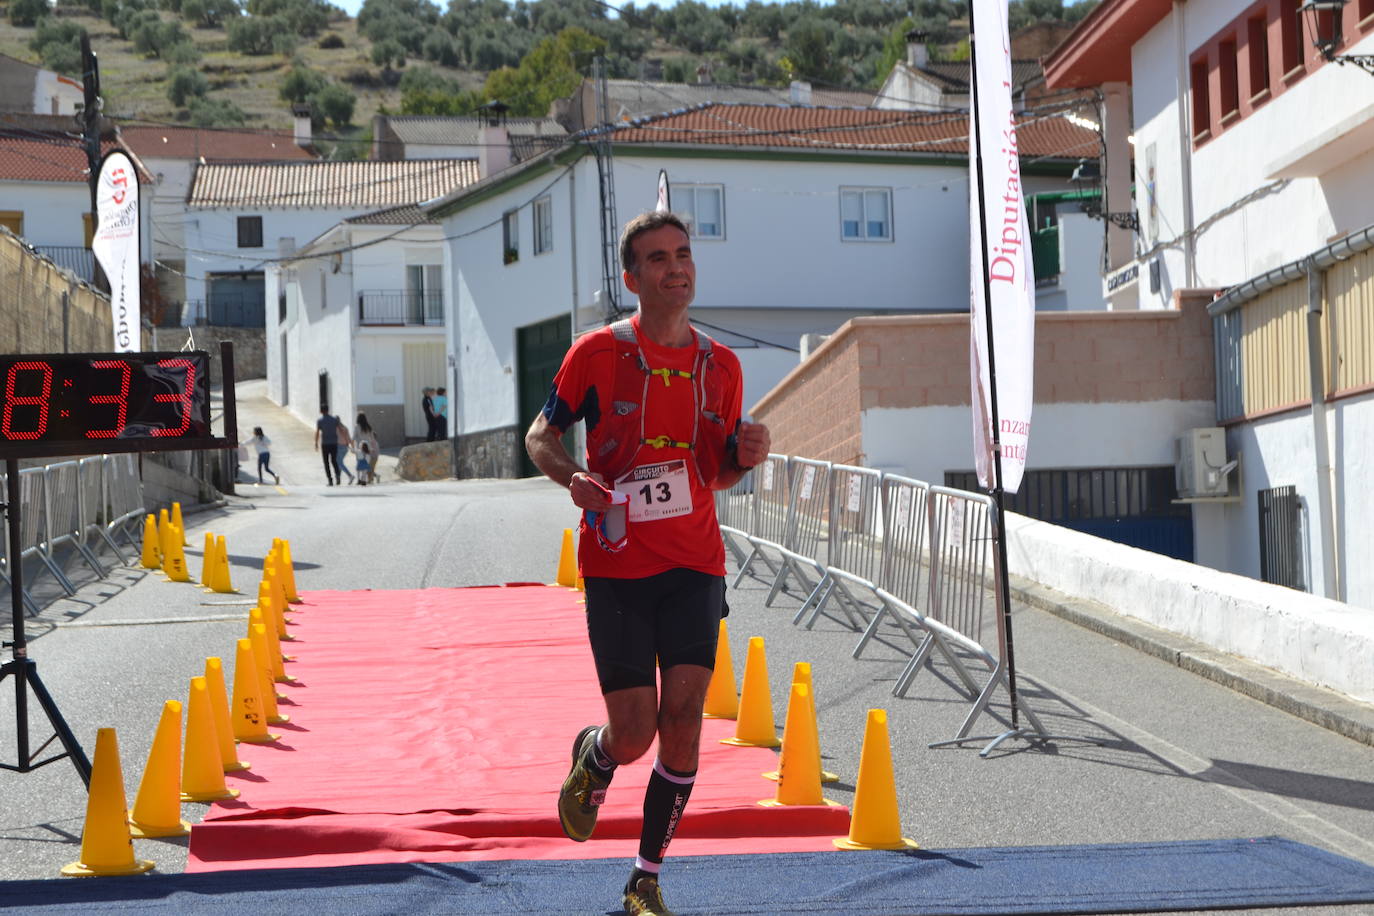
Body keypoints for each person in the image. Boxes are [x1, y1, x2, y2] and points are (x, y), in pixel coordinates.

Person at [524, 211, 770, 916]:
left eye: (684, 255)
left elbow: (715, 473)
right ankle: (598, 757)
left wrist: (743, 457)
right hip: (616, 564)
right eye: (658, 259)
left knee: (685, 720)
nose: (677, 268)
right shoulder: (596, 354)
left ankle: (646, 878)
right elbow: (542, 433)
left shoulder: (720, 366)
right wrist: (572, 475)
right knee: (635, 733)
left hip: (695, 563)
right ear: (632, 279)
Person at [314, 405, 344, 486]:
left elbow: (317, 432)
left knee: (326, 462)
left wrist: (316, 443)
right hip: (334, 443)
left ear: (321, 411)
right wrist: (345, 439)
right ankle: (337, 475)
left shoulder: (320, 421)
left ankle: (330, 480)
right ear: (328, 410)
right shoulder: (334, 419)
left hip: (325, 444)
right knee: (334, 460)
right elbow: (341, 430)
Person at [354, 413, 381, 483]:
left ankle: (360, 479)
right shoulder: (368, 427)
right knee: (366, 464)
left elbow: (354, 437)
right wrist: (372, 448)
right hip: (367, 448)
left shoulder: (357, 427)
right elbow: (372, 438)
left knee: (360, 464)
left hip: (360, 448)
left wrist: (353, 446)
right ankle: (366, 478)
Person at [335, 419, 355, 485]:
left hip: (339, 447)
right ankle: (338, 479)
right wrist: (353, 447)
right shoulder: (345, 428)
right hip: (345, 448)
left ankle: (350, 476)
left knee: (339, 463)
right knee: (340, 463)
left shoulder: (335, 429)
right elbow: (349, 439)